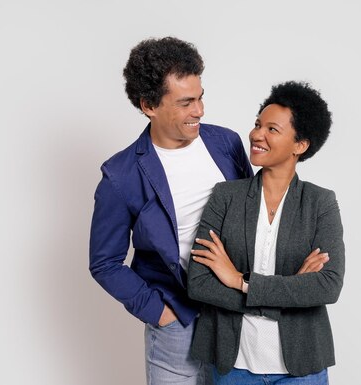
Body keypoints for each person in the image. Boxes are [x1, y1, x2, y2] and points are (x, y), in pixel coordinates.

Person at [89, 36, 253, 385]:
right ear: (149, 104)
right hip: (178, 320)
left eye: (201, 97)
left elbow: (252, 218)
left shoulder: (226, 143)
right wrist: (159, 313)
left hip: (235, 313)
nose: (200, 111)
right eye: (186, 102)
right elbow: (104, 262)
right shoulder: (121, 176)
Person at [187, 81, 345, 384]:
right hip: (233, 365)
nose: (256, 134)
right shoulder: (225, 196)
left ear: (300, 145)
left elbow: (327, 286)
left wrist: (239, 281)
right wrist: (291, 290)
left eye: (272, 129)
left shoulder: (320, 203)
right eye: (258, 124)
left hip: (301, 368)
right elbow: (199, 282)